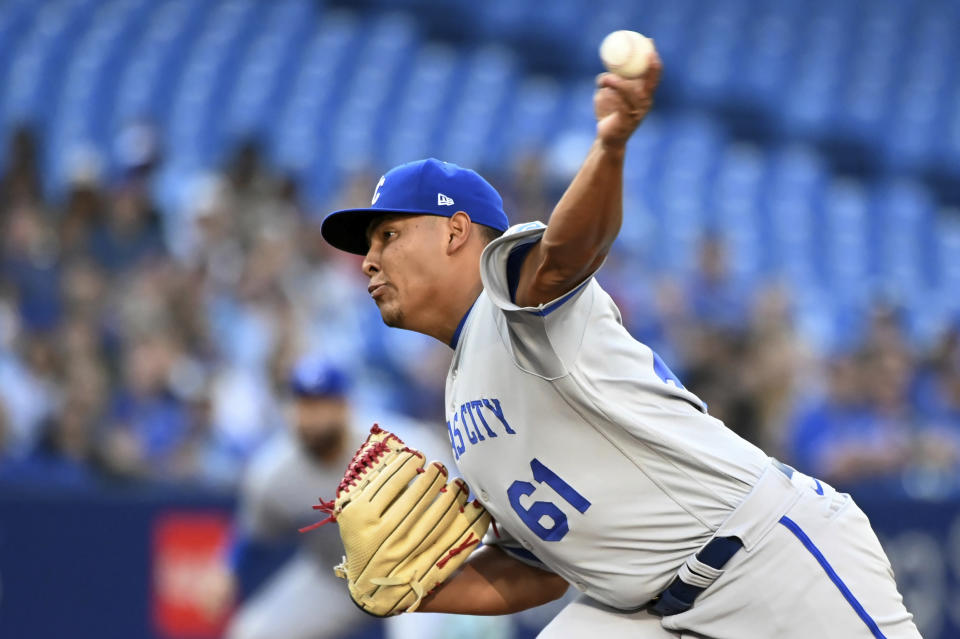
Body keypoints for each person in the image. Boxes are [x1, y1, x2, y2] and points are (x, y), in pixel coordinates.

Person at [317, 44, 921, 638]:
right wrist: (414, 592)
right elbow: (542, 573)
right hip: (642, 611)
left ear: (455, 233)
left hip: (765, 562)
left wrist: (610, 146)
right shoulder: (461, 398)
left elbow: (565, 254)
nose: (368, 261)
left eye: (388, 235)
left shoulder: (516, 304)